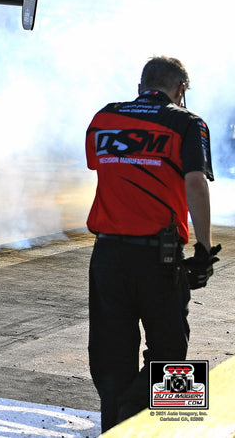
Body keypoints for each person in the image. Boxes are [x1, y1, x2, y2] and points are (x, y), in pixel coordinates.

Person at [85, 56, 219, 433]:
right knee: (171, 351)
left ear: (141, 85)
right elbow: (195, 182)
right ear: (181, 90)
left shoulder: (105, 117)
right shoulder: (187, 122)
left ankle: (113, 425)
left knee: (111, 354)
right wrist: (205, 249)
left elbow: (102, 166)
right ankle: (149, 423)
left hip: (108, 254)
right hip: (158, 257)